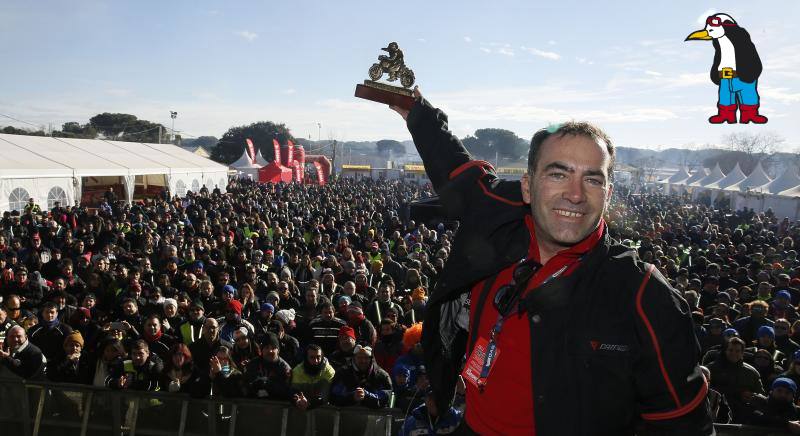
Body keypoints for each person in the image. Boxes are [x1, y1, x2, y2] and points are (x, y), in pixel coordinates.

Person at [389, 88, 713, 434]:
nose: (575, 194)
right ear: (527, 187)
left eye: (592, 179)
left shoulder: (643, 295)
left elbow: (683, 425)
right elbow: (456, 169)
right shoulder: (497, 225)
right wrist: (417, 112)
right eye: (558, 174)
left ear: (609, 194)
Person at [330, 344, 393, 408]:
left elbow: (386, 398)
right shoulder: (342, 373)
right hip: (347, 415)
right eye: (359, 357)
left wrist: (367, 396)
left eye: (366, 357)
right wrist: (352, 397)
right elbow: (333, 397)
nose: (363, 361)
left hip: (374, 417)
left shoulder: (382, 376)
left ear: (371, 358)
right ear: (354, 358)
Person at [290, 344, 335, 410]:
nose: (316, 361)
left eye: (318, 357)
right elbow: (294, 391)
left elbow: (325, 395)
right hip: (301, 409)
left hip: (322, 409)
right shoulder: (297, 371)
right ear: (306, 358)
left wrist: (309, 404)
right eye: (312, 357)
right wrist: (298, 401)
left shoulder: (329, 371)